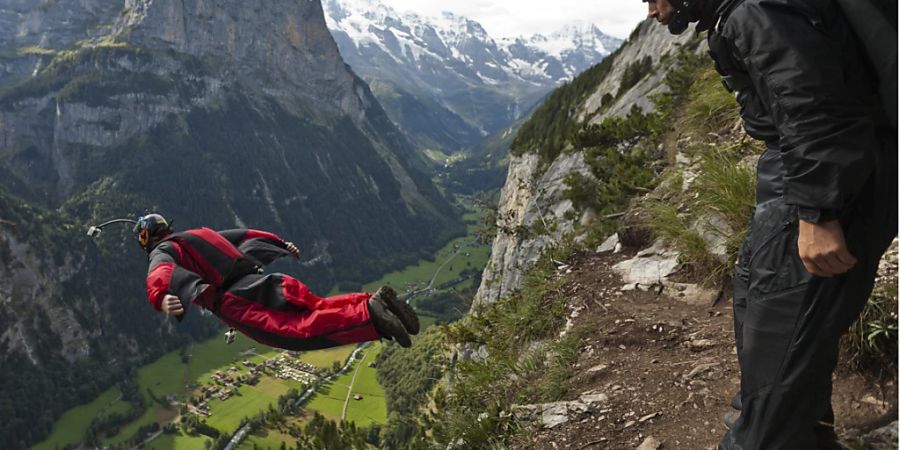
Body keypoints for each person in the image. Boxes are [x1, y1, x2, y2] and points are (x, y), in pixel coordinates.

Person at [643, 0, 897, 448]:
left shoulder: (753, 11)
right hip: (809, 171)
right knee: (763, 310)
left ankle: (765, 436)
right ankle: (798, 429)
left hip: (827, 177)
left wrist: (818, 213)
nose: (650, 11)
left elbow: (814, 108)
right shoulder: (743, 10)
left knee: (783, 325)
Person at [134, 213, 420, 350]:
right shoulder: (200, 235)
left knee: (295, 333)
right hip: (265, 280)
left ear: (148, 239)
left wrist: (159, 297)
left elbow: (160, 271)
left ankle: (372, 315)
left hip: (237, 300)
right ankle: (374, 301)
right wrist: (280, 244)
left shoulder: (164, 250)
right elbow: (244, 235)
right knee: (316, 308)